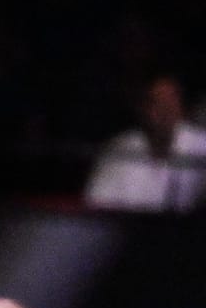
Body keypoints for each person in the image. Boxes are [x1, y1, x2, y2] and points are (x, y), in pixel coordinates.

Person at [83, 74, 206, 214]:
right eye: (158, 104)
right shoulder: (119, 151)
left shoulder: (199, 145)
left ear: (181, 108)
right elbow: (97, 207)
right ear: (144, 109)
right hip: (129, 231)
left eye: (171, 103)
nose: (165, 113)